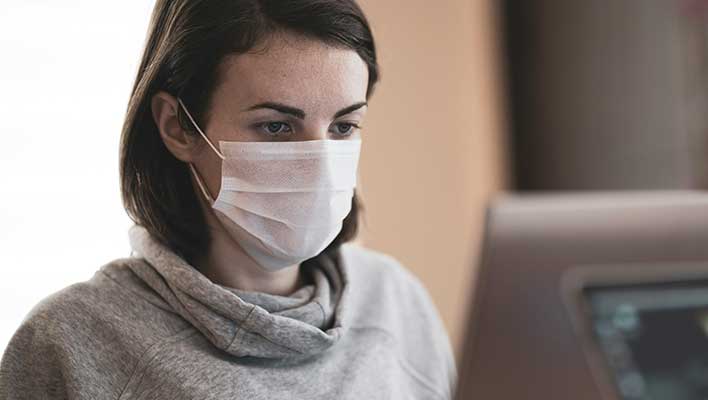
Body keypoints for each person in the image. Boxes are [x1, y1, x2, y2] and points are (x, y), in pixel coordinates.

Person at [0, 1, 457, 399]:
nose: (319, 164)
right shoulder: (71, 340)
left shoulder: (395, 300)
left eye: (342, 127)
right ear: (177, 126)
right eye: (277, 127)